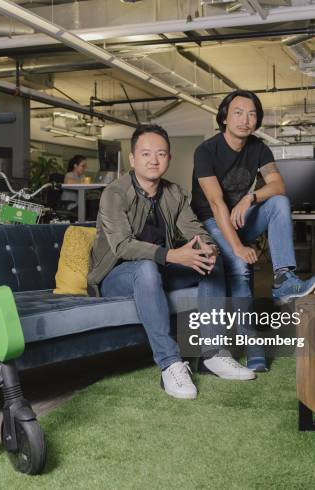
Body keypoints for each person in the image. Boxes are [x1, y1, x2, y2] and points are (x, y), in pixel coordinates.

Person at [88, 124, 256, 400]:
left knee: (211, 261)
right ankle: (170, 363)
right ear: (132, 159)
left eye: (161, 154)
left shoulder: (173, 193)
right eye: (145, 154)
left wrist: (207, 248)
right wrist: (171, 255)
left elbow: (195, 230)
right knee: (146, 267)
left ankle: (212, 354)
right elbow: (122, 246)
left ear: (169, 158)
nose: (154, 160)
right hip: (115, 276)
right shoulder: (114, 194)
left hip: (157, 271)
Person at [191, 90, 315, 371]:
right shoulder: (206, 151)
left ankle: (283, 278)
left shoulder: (258, 148)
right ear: (224, 117)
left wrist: (250, 198)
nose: (245, 119)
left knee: (279, 202)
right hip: (211, 222)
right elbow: (216, 203)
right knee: (240, 267)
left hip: (240, 216)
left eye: (252, 114)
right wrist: (237, 248)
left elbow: (278, 185)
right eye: (238, 112)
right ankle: (253, 346)